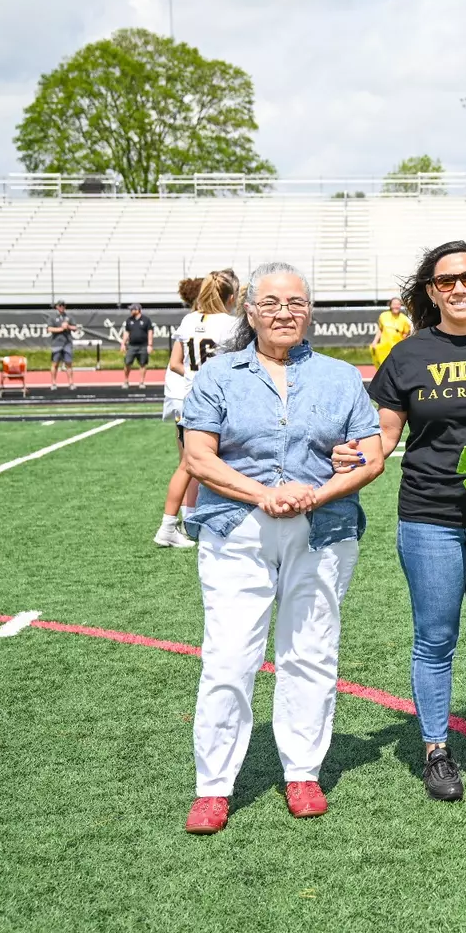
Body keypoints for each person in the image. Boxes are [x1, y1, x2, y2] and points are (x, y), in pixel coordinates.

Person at [179, 262, 385, 835]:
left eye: (295, 302)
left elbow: (371, 455)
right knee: (229, 657)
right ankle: (213, 786)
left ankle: (302, 772)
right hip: (236, 527)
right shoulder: (220, 374)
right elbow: (199, 457)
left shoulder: (340, 378)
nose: (284, 312)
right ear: (249, 311)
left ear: (310, 310)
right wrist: (264, 495)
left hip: (323, 530)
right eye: (270, 302)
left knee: (311, 651)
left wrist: (317, 493)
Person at [347, 242, 466, 802]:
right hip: (428, 514)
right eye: (445, 280)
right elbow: (384, 435)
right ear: (430, 291)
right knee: (435, 638)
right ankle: (437, 749)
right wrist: (349, 462)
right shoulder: (406, 355)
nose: (458, 288)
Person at [157, 272, 241, 549]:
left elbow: (176, 364)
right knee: (233, 460)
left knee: (189, 464)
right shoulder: (230, 324)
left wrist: (198, 374)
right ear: (230, 298)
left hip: (191, 398)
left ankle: (174, 524)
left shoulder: (189, 320)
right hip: (218, 401)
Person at [369, 296, 413, 371]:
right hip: (384, 348)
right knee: (383, 369)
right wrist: (375, 342)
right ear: (390, 305)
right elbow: (380, 329)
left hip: (397, 349)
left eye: (398, 304)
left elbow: (406, 336)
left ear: (400, 306)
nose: (396, 306)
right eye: (394, 304)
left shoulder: (404, 319)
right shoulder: (383, 316)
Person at [119, 303, 153, 390]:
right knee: (127, 363)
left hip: (143, 346)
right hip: (132, 346)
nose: (131, 311)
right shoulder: (129, 320)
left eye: (132, 309)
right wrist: (123, 343)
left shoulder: (146, 320)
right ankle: (126, 381)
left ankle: (141, 382)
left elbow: (150, 332)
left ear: (138, 310)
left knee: (143, 364)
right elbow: (127, 332)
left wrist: (150, 345)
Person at [49, 301, 77, 391]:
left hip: (67, 343)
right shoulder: (52, 317)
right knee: (55, 364)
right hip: (56, 343)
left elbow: (75, 328)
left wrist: (68, 326)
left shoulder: (68, 317)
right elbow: (49, 328)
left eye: (63, 305)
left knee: (69, 364)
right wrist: (61, 328)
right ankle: (53, 382)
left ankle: (71, 382)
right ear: (57, 307)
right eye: (60, 305)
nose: (62, 307)